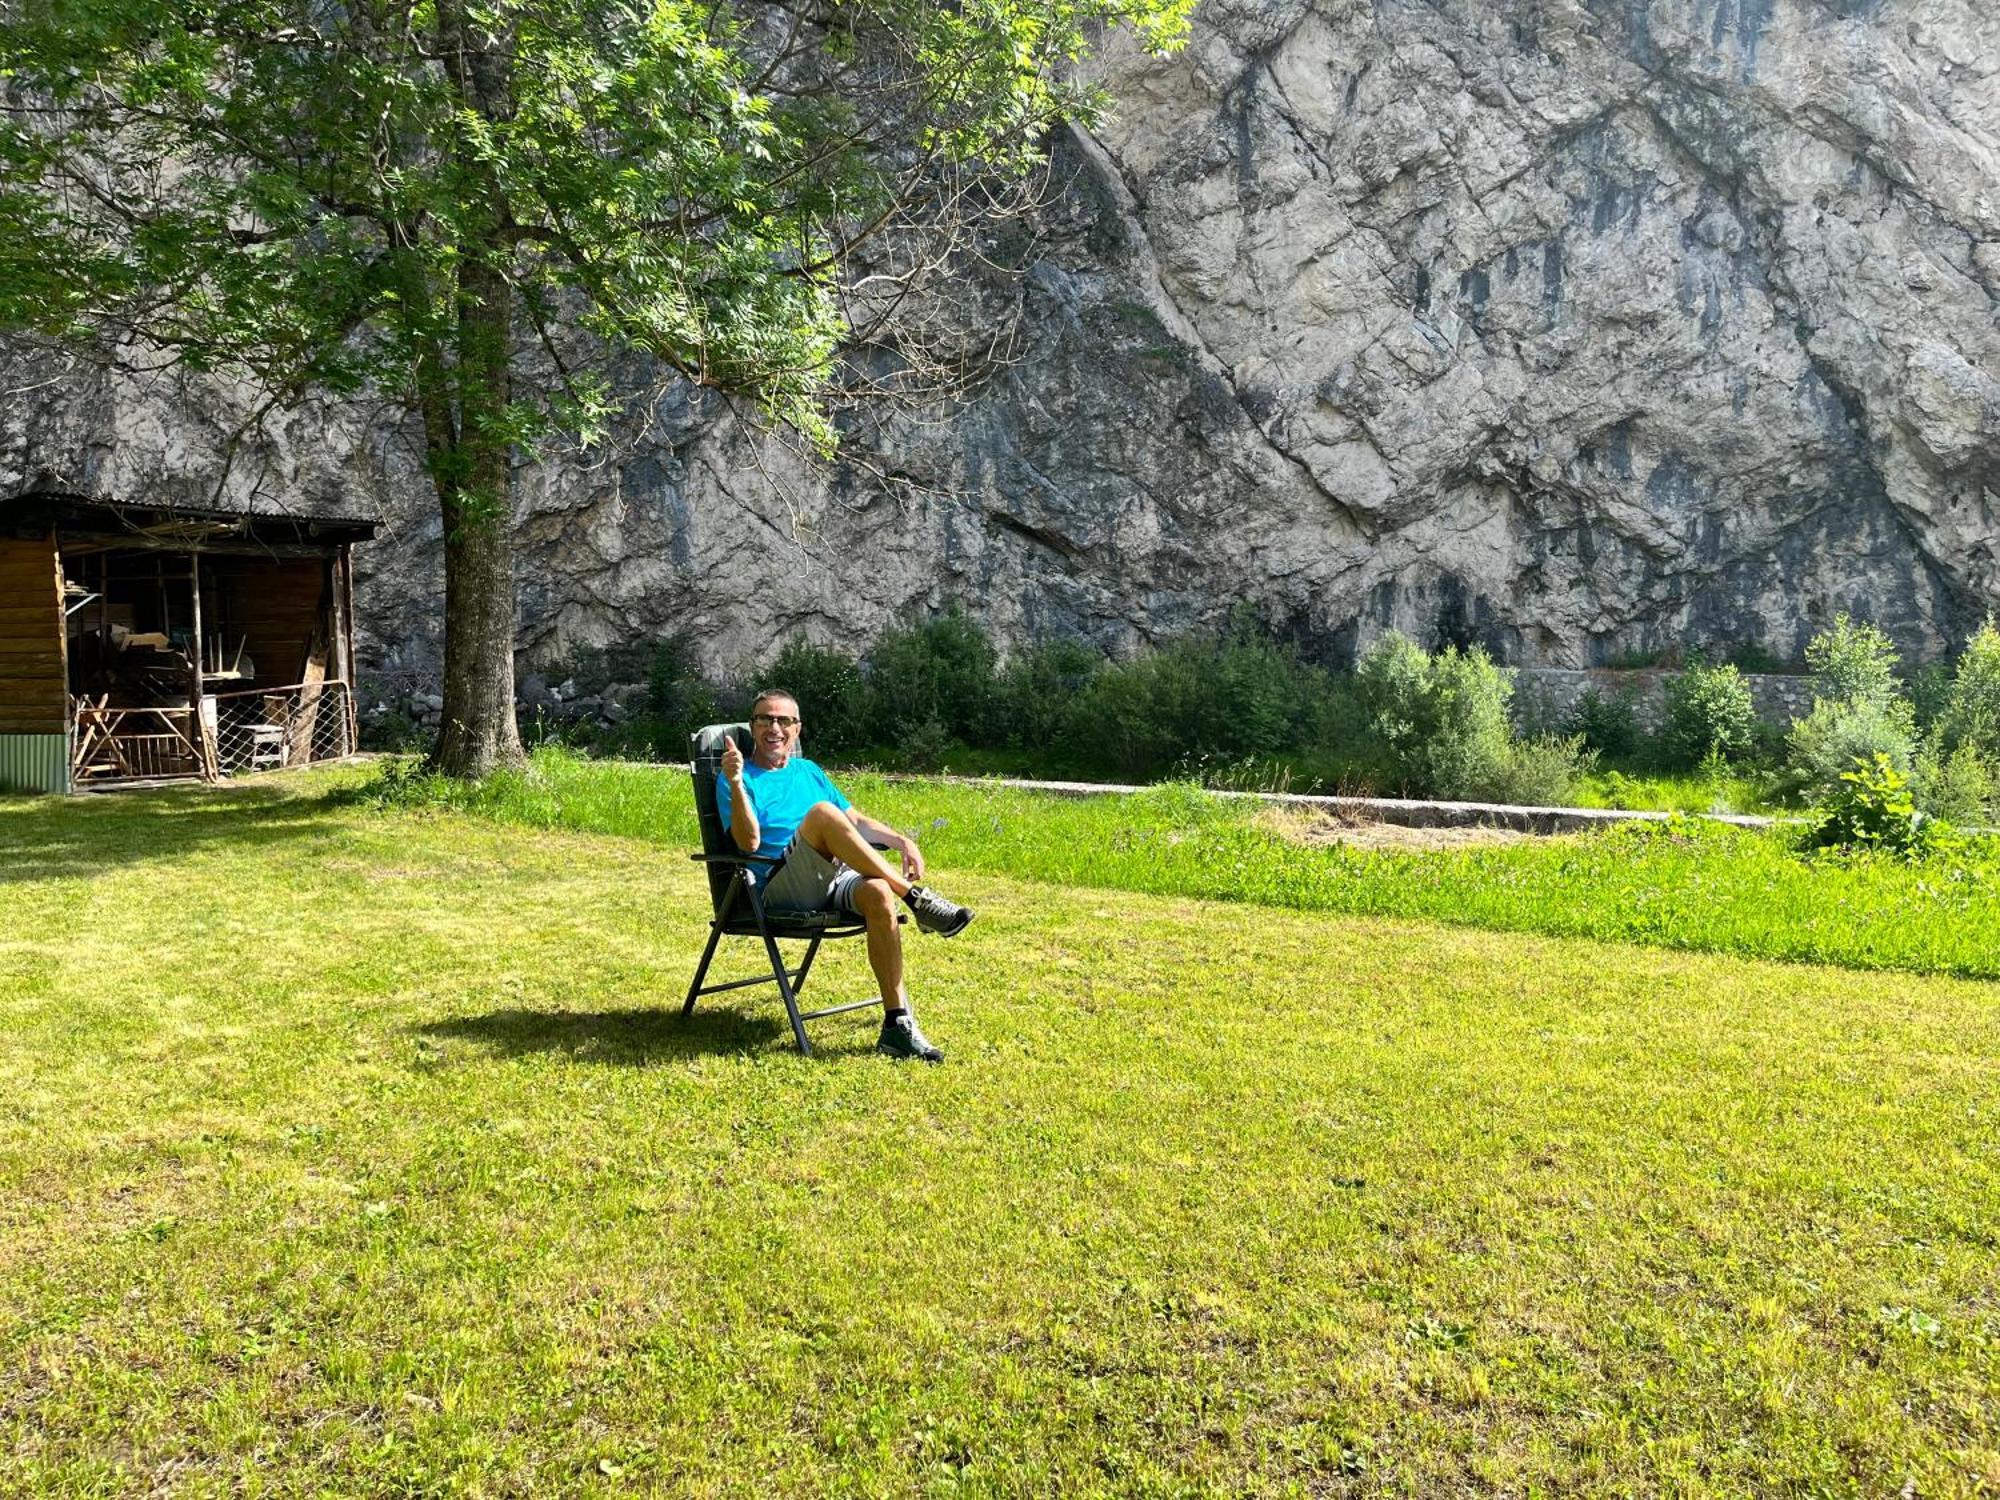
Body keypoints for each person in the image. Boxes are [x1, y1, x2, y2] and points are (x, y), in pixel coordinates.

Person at [718, 688, 974, 1063]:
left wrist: (902, 840)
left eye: (783, 720)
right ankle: (916, 899)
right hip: (779, 887)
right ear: (752, 726)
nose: (774, 728)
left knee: (877, 894)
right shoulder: (738, 778)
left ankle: (896, 1025)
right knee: (822, 814)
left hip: (832, 876)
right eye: (764, 719)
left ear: (797, 729)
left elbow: (854, 821)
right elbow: (748, 841)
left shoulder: (809, 771)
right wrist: (737, 784)